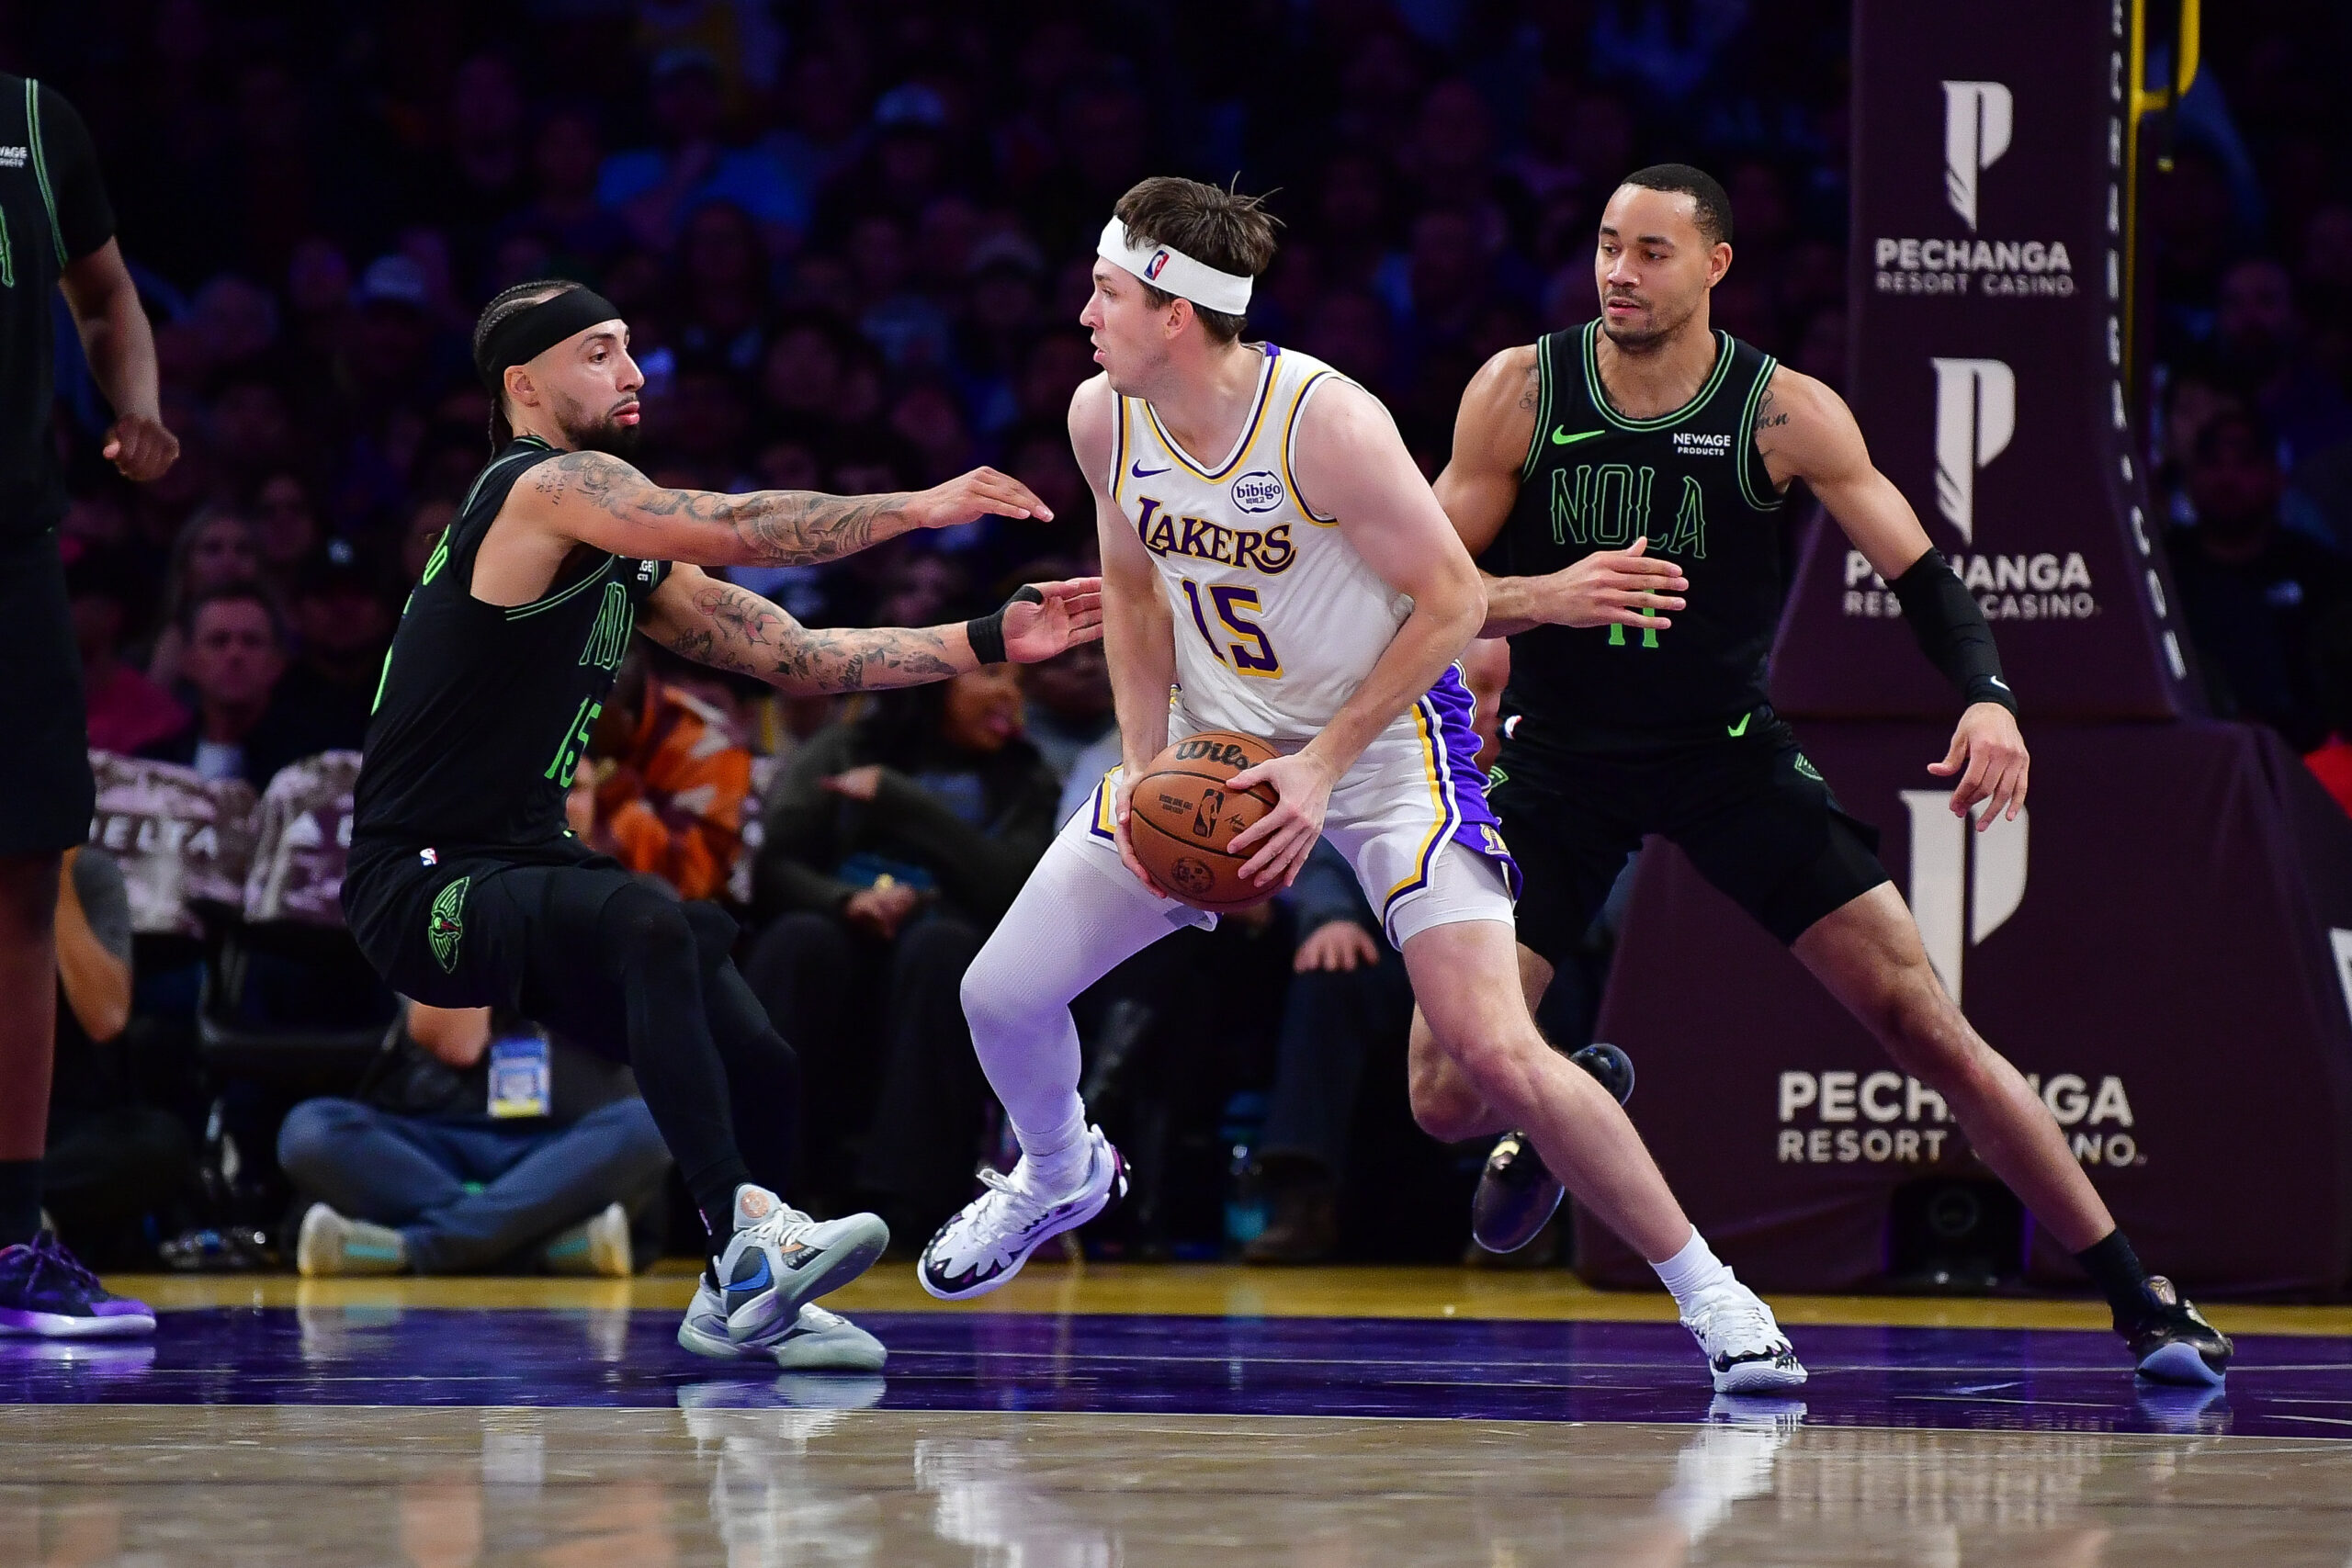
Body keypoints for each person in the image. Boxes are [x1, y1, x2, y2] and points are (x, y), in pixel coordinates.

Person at [922, 175, 1804, 1393]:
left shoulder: (1325, 421)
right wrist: (1141, 763)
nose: (1083, 314)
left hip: (1383, 751)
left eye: (1107, 294)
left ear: (1176, 311)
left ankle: (1713, 1290)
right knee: (1000, 993)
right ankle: (1057, 1170)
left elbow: (1448, 599)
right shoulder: (1101, 416)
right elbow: (1129, 589)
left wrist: (1324, 761)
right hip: (1211, 743)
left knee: (1495, 1052)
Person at [1435, 164, 2231, 1385]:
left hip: (1725, 757)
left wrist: (1989, 695)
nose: (1617, 271)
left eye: (1650, 251)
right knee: (1441, 1094)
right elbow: (1419, 586)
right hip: (1560, 762)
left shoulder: (1783, 410)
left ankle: (2144, 1295)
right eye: (1605, 244)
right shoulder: (1522, 391)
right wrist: (1536, 598)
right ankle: (1563, 1096)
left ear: (1715, 266)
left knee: (1931, 1024)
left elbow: (1921, 572)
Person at [341, 276, 1099, 1371]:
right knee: (648, 918)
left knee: (744, 1025)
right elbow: (746, 526)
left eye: (630, 348)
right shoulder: (542, 486)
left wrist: (984, 637)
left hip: (522, 863)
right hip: (421, 886)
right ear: (524, 385)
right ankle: (740, 1244)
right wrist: (914, 508)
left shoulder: (616, 545)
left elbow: (793, 655)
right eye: (599, 352)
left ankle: (752, 1295)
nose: (634, 371)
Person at [0, 73, 179, 1339]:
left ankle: (13, 1238)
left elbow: (104, 291)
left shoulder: (32, 118)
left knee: (22, 879)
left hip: (12, 549)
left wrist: (138, 404)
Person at [743, 663, 1063, 1232]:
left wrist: (897, 799)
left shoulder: (1025, 776)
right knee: (798, 941)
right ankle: (765, 1186)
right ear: (936, 683)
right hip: (842, 930)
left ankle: (905, 1203)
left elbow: (1009, 886)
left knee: (945, 950)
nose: (1008, 695)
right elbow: (777, 867)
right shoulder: (844, 747)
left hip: (944, 941)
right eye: (989, 675)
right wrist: (847, 900)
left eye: (1017, 682)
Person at [280, 1001, 672, 1280]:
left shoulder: (623, 910)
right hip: (437, 1150)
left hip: (558, 1156)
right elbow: (456, 1043)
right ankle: (539, 1245)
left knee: (651, 1124)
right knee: (311, 1131)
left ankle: (417, 1248)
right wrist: (486, 927)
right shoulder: (449, 910)